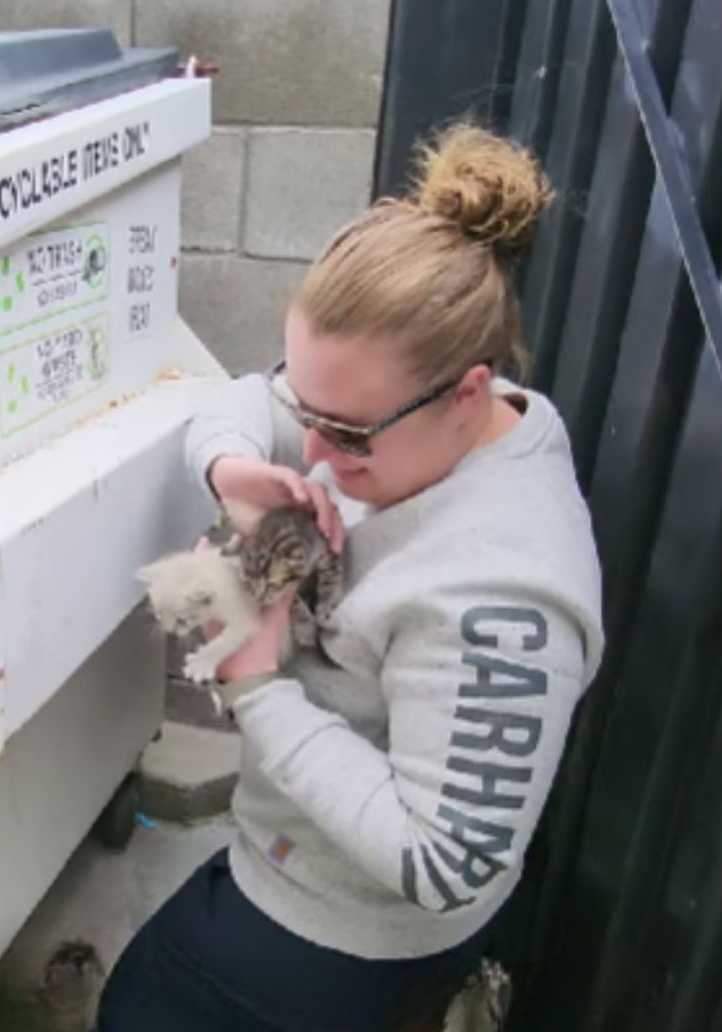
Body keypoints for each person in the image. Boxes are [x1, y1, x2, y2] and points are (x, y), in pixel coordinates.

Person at [96, 124, 605, 1032]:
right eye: (306, 411)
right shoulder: (469, 414)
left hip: (355, 926)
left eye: (352, 435)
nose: (317, 454)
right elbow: (250, 400)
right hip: (292, 848)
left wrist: (256, 685)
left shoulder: (500, 595)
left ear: (465, 391)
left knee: (133, 1010)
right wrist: (231, 465)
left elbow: (449, 866)